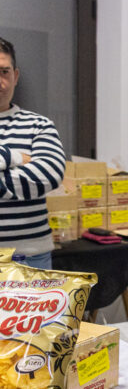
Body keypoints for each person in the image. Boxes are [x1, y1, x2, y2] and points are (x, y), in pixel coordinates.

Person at [0, 37, 66, 270]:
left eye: (4, 72)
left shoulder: (39, 125)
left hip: (30, 258)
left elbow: (49, 175)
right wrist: (15, 158)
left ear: (15, 76)